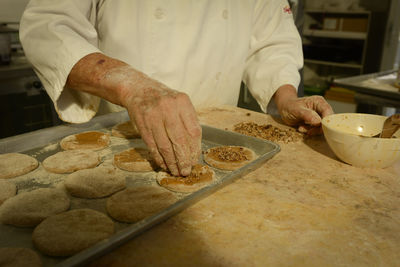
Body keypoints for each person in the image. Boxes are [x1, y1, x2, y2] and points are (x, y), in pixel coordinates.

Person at [20, 0, 333, 176]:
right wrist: (133, 87)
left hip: (215, 137)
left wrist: (287, 96)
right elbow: (49, 25)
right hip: (127, 138)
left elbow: (271, 40)